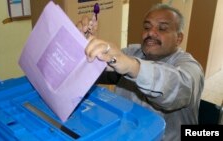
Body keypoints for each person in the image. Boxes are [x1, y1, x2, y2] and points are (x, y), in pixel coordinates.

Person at [77, 3, 204, 141]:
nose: (150, 33)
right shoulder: (132, 53)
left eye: (162, 28)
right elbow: (93, 74)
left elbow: (178, 88)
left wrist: (133, 67)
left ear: (178, 38)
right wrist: (84, 48)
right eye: (147, 27)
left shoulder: (190, 67)